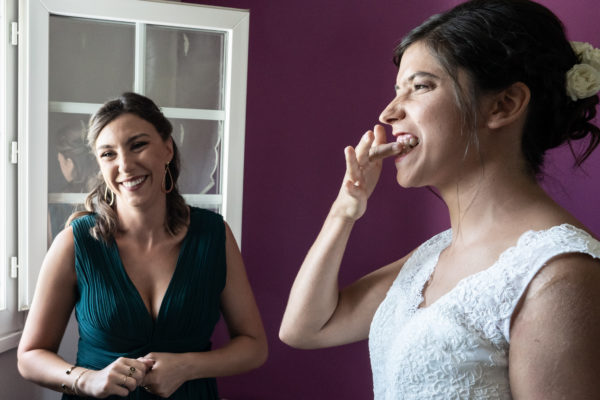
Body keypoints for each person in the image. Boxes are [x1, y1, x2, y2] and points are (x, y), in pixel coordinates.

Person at [279, 0, 600, 398]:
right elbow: (304, 328)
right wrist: (345, 209)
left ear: (504, 105)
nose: (389, 113)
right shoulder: (430, 258)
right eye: (397, 90)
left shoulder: (557, 273)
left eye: (420, 86)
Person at [18, 92, 268, 399]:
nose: (125, 165)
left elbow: (254, 345)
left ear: (167, 148)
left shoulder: (214, 235)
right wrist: (87, 380)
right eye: (108, 154)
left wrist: (189, 366)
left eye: (138, 145)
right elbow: (30, 356)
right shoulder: (75, 242)